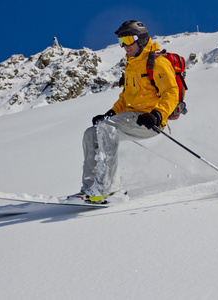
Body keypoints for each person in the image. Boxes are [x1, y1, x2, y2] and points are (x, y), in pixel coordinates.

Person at [73, 20, 179, 203]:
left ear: (142, 39)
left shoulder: (157, 63)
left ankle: (109, 190)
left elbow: (172, 92)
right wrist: (109, 114)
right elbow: (126, 98)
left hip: (149, 120)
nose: (125, 46)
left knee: (106, 129)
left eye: (129, 39)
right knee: (90, 134)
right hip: (130, 117)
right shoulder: (131, 65)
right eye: (122, 41)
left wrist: (157, 114)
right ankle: (90, 188)